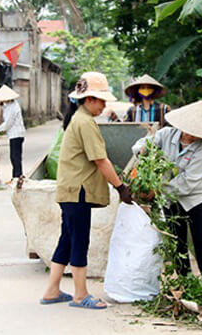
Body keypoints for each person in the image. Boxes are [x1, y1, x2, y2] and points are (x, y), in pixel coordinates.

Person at [41, 72, 132, 309]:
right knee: (79, 240)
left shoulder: (78, 120)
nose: (104, 105)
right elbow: (101, 160)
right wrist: (121, 187)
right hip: (78, 191)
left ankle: (52, 290)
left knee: (68, 239)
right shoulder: (85, 122)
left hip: (69, 189)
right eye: (101, 100)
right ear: (88, 100)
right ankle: (80, 295)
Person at [131, 100, 202, 278]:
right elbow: (141, 144)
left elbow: (187, 182)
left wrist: (157, 191)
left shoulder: (201, 150)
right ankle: (184, 280)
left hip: (196, 199)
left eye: (195, 134)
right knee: (177, 242)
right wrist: (143, 150)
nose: (190, 136)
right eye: (188, 131)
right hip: (170, 199)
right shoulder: (166, 135)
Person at [0, 85, 26, 179]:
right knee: (14, 157)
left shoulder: (14, 107)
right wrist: (1, 105)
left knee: (15, 157)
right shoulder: (9, 105)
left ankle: (18, 176)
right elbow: (5, 109)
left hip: (16, 135)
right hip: (14, 135)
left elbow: (8, 123)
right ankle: (16, 176)